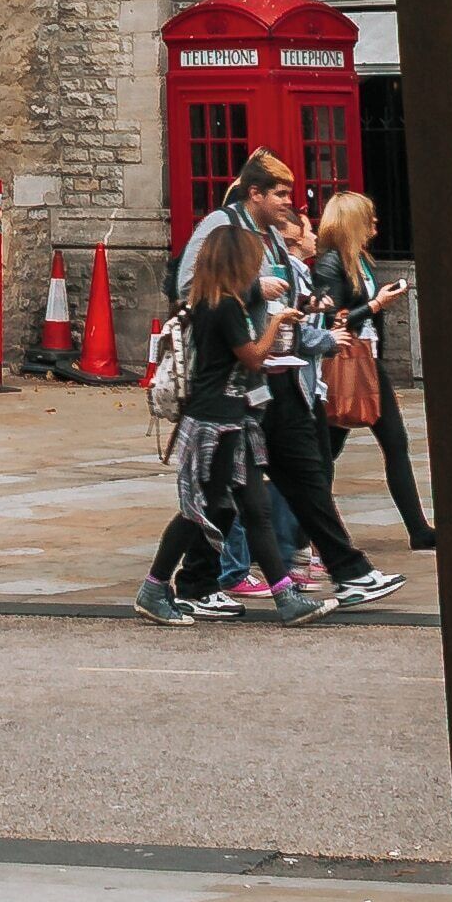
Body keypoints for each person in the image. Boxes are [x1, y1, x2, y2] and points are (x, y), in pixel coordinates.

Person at [176, 150, 401, 609]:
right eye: (280, 193)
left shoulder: (275, 239)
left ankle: (343, 572)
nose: (289, 203)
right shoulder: (219, 227)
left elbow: (288, 305)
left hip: (282, 377)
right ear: (254, 193)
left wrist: (316, 322)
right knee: (230, 492)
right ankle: (193, 584)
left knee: (296, 478)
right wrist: (255, 289)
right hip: (239, 381)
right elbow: (189, 288)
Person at [137, 219, 334, 625]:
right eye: (252, 260)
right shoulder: (224, 305)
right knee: (200, 511)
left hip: (233, 418)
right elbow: (253, 357)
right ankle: (154, 588)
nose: (257, 267)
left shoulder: (217, 302)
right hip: (216, 423)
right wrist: (279, 323)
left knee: (251, 509)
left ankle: (286, 599)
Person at [313, 188, 437, 551]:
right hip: (343, 363)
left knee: (395, 442)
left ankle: (418, 529)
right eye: (369, 217)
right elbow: (330, 319)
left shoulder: (360, 260)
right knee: (324, 455)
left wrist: (377, 299)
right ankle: (304, 531)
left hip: (367, 360)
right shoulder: (330, 264)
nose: (376, 223)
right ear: (352, 222)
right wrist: (376, 304)